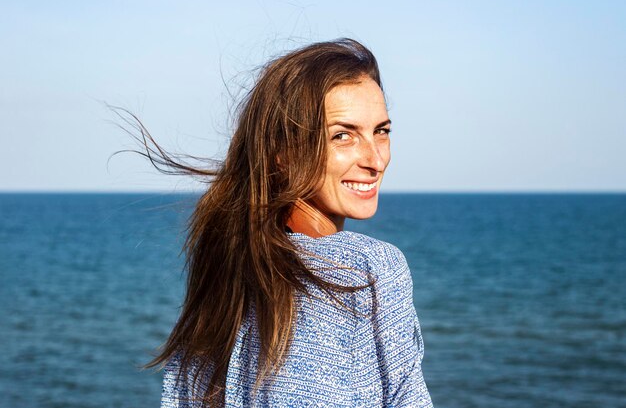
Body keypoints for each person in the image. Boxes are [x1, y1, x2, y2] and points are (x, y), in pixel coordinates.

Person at [139, 38, 432, 407]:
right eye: (343, 135)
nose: (375, 159)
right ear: (284, 152)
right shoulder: (367, 269)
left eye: (381, 131)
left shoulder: (224, 280)